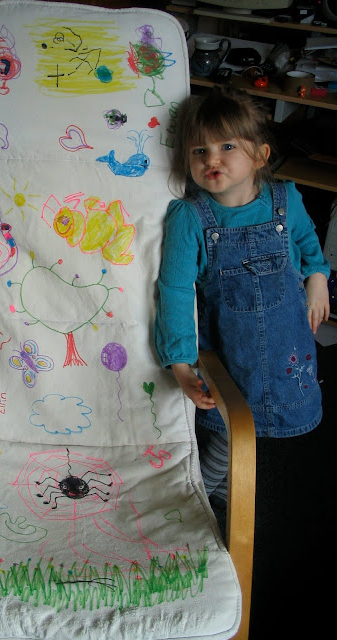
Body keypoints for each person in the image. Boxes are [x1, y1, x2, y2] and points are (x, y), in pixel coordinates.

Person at [154, 86, 330, 506]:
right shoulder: (189, 217)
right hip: (232, 356)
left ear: (261, 155)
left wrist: (318, 277)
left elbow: (308, 242)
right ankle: (200, 502)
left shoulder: (286, 200)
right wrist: (180, 364)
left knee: (252, 434)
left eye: (227, 146)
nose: (211, 159)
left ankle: (216, 494)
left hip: (287, 347)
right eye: (200, 151)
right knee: (231, 435)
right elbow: (174, 291)